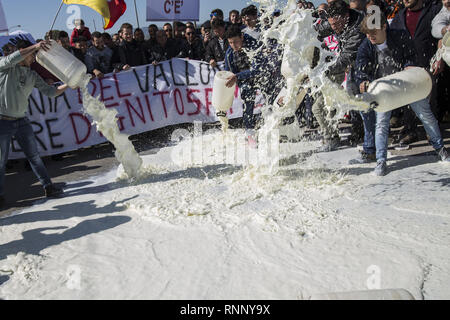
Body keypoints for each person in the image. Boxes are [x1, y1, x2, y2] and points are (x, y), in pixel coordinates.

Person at [352, 12, 449, 176]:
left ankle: (440, 148)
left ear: (384, 26)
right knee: (381, 124)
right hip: (385, 91)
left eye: (373, 32)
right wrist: (363, 80)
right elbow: (360, 68)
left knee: (426, 115)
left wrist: (410, 65)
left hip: (406, 84)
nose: (370, 37)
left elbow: (412, 55)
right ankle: (381, 161)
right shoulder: (366, 45)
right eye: (367, 34)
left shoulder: (400, 36)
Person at [0, 40, 70, 207]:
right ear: (24, 52)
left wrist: (70, 84)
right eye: (33, 55)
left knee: (35, 156)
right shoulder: (5, 66)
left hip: (22, 120)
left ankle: (48, 187)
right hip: (2, 121)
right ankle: (0, 195)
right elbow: (12, 58)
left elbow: (51, 92)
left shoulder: (32, 75)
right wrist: (36, 46)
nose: (34, 58)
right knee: (1, 162)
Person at [312, 0, 366, 152]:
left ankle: (365, 138)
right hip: (343, 67)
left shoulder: (358, 27)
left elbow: (347, 57)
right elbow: (317, 30)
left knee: (359, 103)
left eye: (336, 25)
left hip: (364, 67)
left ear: (346, 16)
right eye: (332, 25)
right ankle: (355, 134)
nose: (334, 28)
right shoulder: (335, 19)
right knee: (326, 105)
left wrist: (324, 71)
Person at [390, 0, 442, 146]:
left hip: (428, 64)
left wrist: (439, 59)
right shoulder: (399, 16)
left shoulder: (432, 12)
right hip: (406, 66)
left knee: (430, 101)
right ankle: (410, 131)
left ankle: (432, 133)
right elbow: (391, 40)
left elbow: (440, 37)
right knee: (407, 101)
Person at [224, 26, 260, 146]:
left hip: (261, 76)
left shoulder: (253, 45)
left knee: (271, 101)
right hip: (244, 80)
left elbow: (257, 70)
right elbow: (228, 71)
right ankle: (249, 133)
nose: (233, 45)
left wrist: (236, 76)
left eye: (236, 41)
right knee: (247, 100)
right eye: (230, 42)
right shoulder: (229, 53)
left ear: (242, 37)